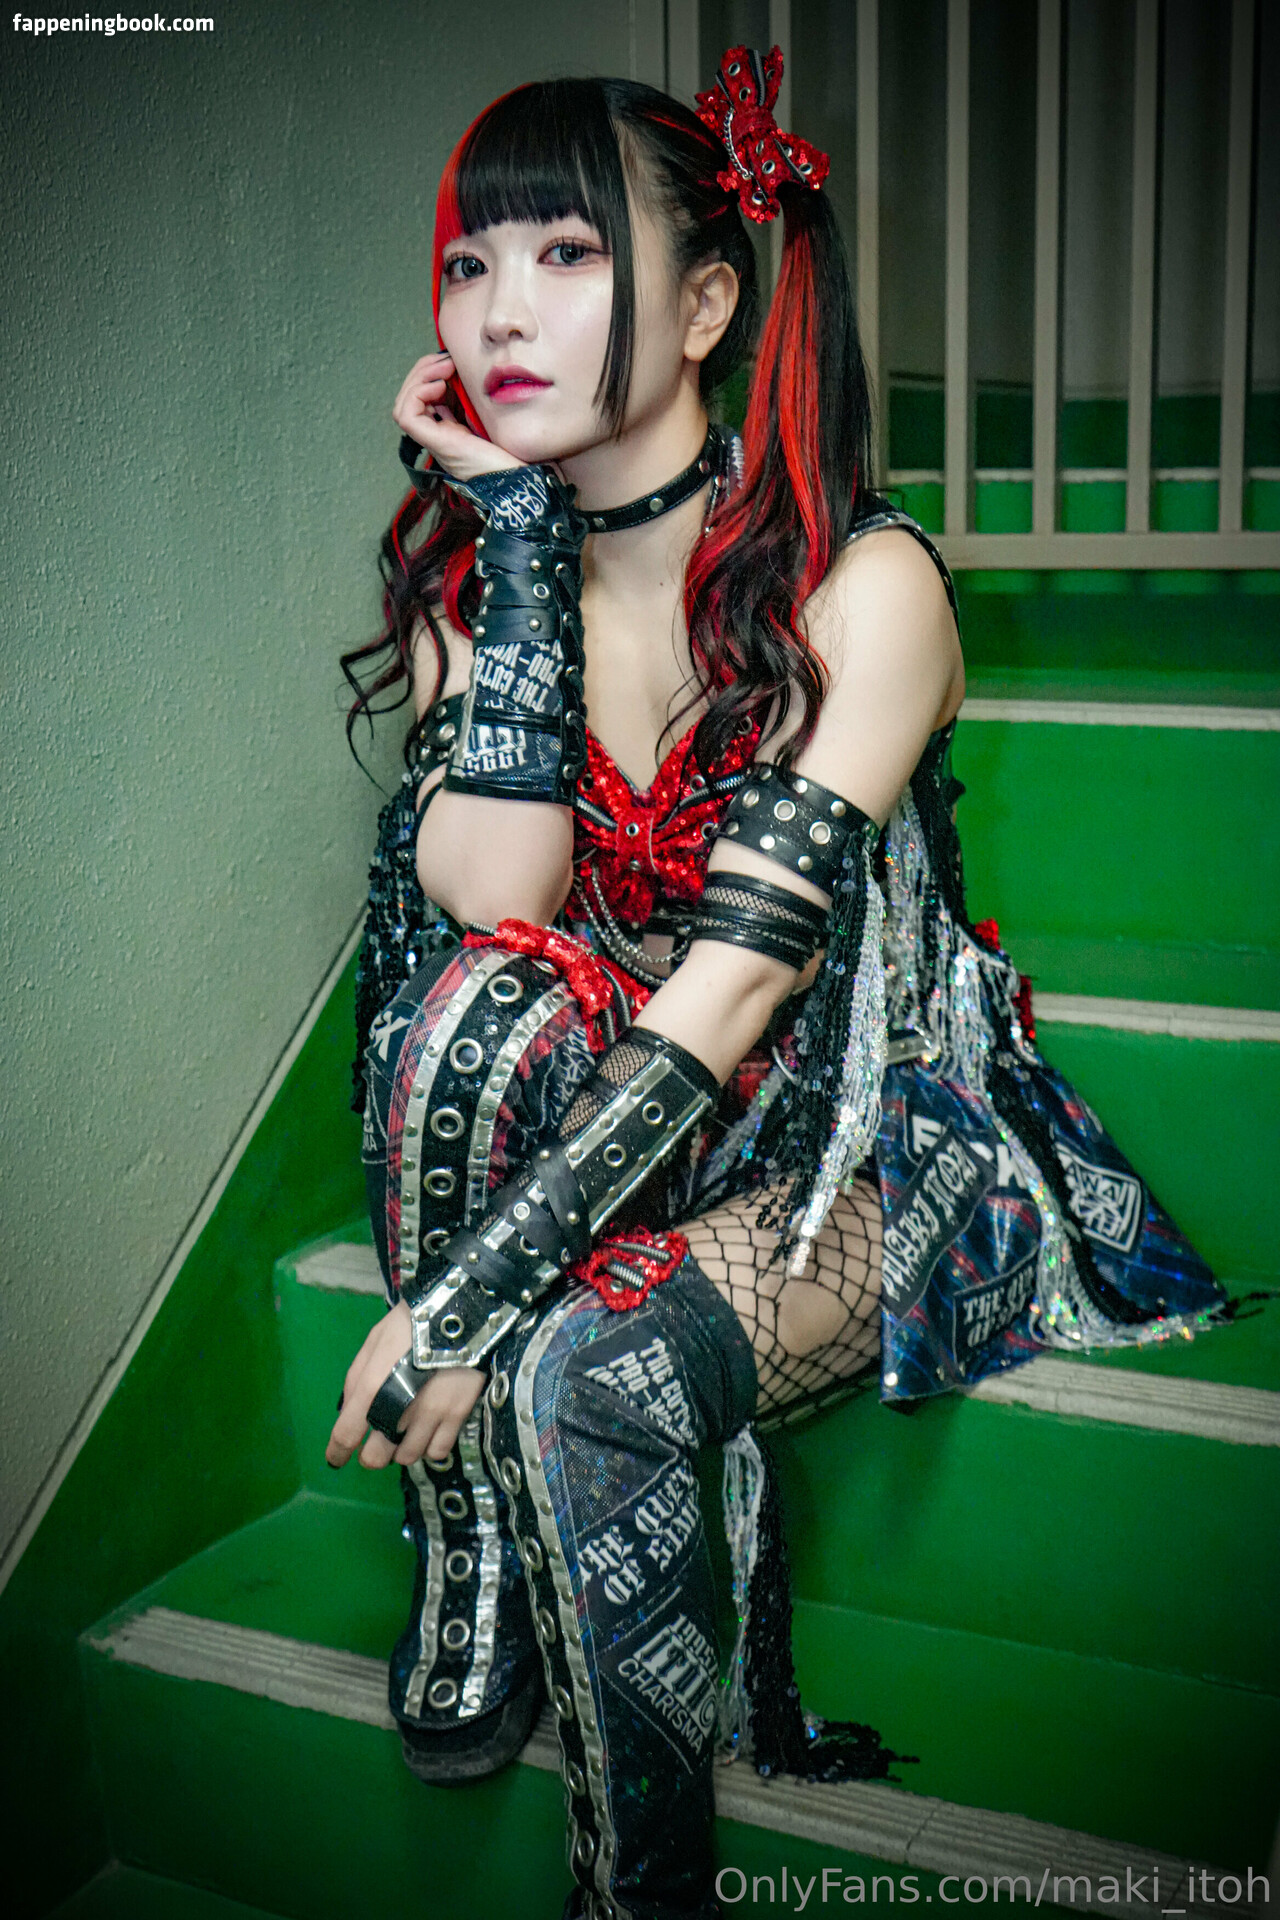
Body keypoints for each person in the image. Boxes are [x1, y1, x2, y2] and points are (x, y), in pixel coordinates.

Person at [325, 49, 1230, 1920]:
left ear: (708, 304)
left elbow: (739, 995)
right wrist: (517, 548)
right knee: (471, 1007)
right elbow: (497, 897)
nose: (499, 313)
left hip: (867, 1148)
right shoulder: (478, 590)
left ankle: (639, 1894)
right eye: (469, 264)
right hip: (626, 1123)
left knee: (585, 1368)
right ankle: (470, 1532)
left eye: (566, 254)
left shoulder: (861, 582)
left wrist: (465, 1305)